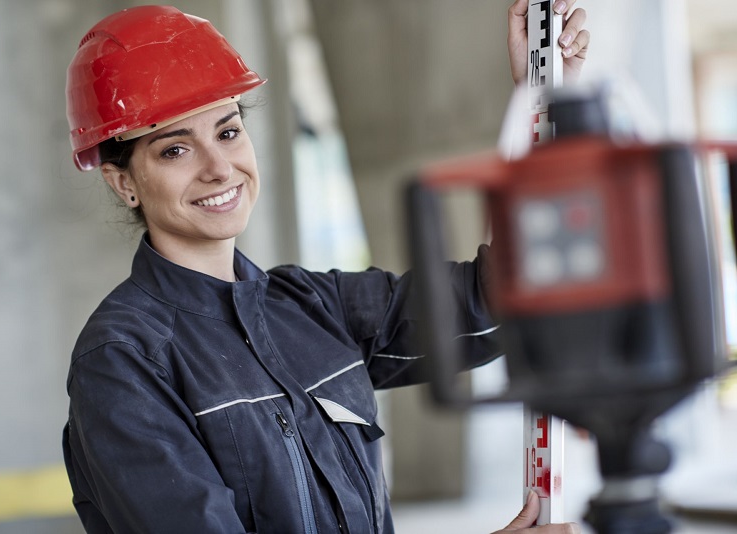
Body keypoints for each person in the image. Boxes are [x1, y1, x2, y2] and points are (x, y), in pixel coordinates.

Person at [61, 2, 589, 533]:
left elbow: (490, 303)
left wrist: (539, 103)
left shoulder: (311, 307)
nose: (219, 168)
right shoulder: (122, 363)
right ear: (123, 182)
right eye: (175, 150)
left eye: (227, 132)